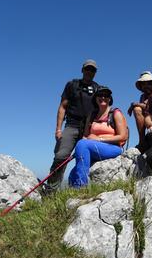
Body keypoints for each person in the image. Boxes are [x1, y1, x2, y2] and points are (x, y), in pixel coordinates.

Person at [47, 59, 100, 191]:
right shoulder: (72, 85)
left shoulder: (97, 89)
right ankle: (51, 190)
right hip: (71, 125)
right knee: (61, 156)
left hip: (88, 129)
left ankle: (81, 189)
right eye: (87, 69)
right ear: (82, 70)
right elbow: (62, 107)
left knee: (85, 158)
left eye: (92, 70)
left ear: (95, 72)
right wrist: (58, 129)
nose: (89, 71)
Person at [68, 86, 128, 187]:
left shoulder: (115, 113)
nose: (103, 97)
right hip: (94, 149)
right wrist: (80, 149)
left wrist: (99, 139)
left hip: (114, 148)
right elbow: (85, 136)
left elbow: (123, 136)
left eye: (106, 95)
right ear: (95, 98)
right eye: (100, 95)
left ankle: (81, 187)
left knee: (82, 144)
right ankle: (75, 193)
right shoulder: (92, 115)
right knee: (72, 174)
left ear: (110, 99)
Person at [127, 71, 152, 153]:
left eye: (148, 84)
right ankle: (142, 141)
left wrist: (134, 104)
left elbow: (151, 107)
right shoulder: (143, 96)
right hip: (148, 119)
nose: (146, 86)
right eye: (143, 84)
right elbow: (144, 108)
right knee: (137, 109)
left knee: (137, 108)